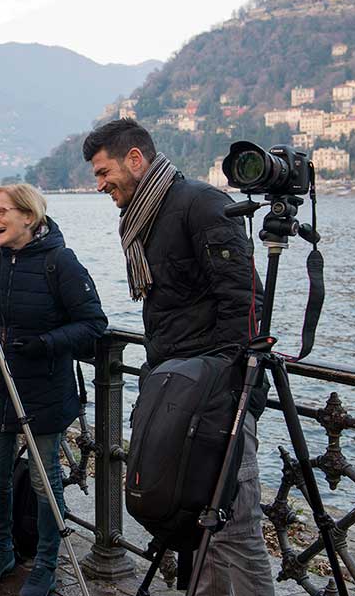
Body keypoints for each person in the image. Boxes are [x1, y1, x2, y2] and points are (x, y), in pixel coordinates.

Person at [83, 118, 271, 596]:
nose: (100, 184)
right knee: (197, 521)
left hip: (216, 395)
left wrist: (234, 389)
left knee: (233, 527)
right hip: (175, 384)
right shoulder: (146, 216)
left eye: (104, 172)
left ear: (135, 158)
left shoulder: (201, 205)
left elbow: (245, 300)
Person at [0, 183, 106, 596]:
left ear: (28, 216)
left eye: (1, 211)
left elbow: (93, 325)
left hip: (43, 390)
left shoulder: (59, 261)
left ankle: (47, 562)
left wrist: (45, 343)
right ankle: (2, 549)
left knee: (44, 483)